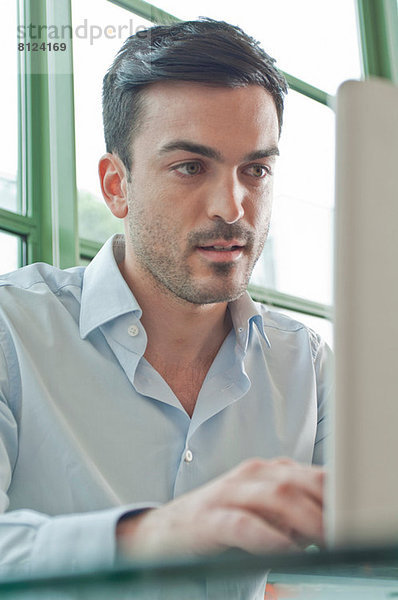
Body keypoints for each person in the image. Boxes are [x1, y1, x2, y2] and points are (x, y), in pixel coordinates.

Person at [0, 17, 330, 597]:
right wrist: (157, 533)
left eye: (255, 169)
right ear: (115, 186)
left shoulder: (311, 367)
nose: (232, 207)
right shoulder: (11, 331)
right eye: (189, 167)